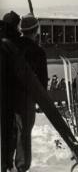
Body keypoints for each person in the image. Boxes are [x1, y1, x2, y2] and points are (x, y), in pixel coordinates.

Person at [14, 13, 48, 172]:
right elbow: (41, 83)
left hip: (7, 96)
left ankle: (5, 163)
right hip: (26, 100)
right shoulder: (39, 52)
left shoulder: (10, 45)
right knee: (24, 134)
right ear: (36, 30)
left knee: (10, 131)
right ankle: (21, 166)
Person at [1, 11, 21, 172]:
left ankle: (4, 162)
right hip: (12, 97)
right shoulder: (16, 43)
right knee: (12, 133)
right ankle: (8, 163)